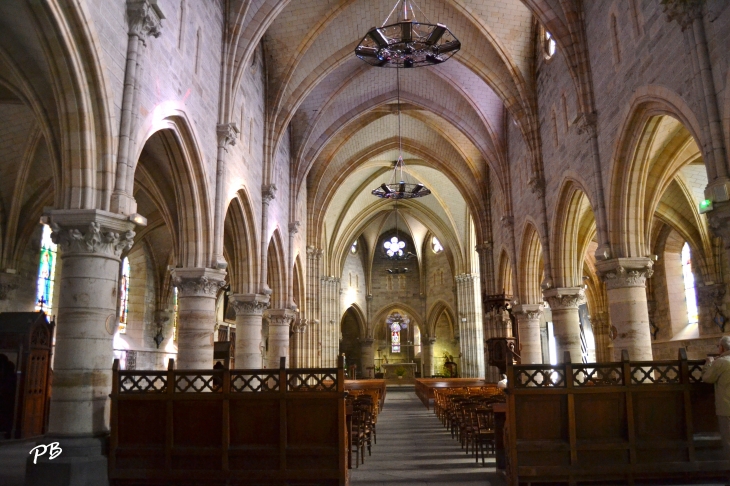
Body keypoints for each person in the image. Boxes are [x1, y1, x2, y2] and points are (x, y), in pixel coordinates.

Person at [702, 335, 730, 463]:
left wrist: (709, 363)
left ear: (722, 348)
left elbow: (707, 378)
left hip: (727, 409)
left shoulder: (721, 362)